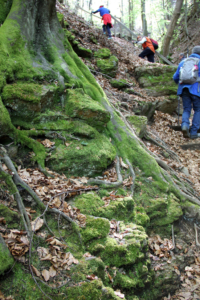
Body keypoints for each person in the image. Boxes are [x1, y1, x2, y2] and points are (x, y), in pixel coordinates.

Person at [173, 46, 200, 139]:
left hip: (184, 89)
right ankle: (193, 133)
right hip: (197, 90)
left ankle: (185, 125)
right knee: (198, 110)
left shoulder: (183, 62)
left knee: (187, 109)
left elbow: (175, 77)